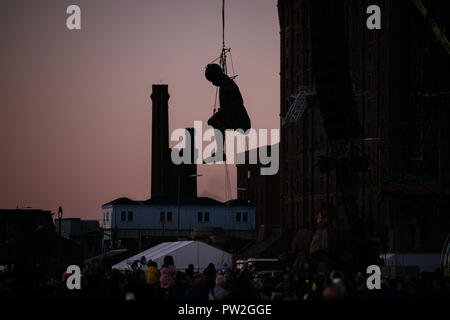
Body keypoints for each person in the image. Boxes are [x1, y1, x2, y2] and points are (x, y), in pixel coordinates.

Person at [204, 63, 251, 163]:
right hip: (237, 119)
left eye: (213, 80)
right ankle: (220, 153)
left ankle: (220, 153)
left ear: (217, 76)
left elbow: (231, 107)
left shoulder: (226, 86)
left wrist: (218, 117)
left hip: (240, 121)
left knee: (215, 122)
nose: (213, 83)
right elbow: (226, 108)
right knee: (215, 121)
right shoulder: (225, 85)